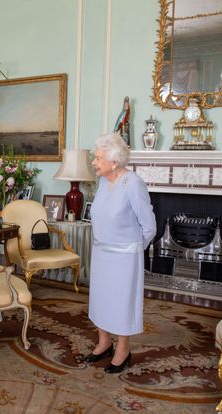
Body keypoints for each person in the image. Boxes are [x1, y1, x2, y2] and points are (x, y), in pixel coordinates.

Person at [84, 132, 156, 374]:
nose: (94, 162)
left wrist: (133, 249)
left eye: (98, 158)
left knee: (122, 303)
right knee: (101, 299)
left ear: (114, 161)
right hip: (102, 252)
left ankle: (123, 349)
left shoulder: (133, 184)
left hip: (125, 257)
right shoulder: (104, 182)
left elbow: (149, 226)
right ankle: (104, 342)